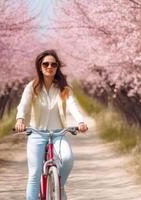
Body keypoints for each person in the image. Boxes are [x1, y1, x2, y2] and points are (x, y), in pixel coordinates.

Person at [15, 49, 88, 200]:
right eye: (46, 64)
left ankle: (59, 186)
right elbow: (23, 105)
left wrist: (80, 121)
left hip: (58, 133)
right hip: (36, 133)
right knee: (34, 174)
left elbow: (72, 105)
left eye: (53, 64)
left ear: (57, 67)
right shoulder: (32, 87)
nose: (49, 67)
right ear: (40, 66)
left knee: (67, 158)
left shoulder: (64, 88)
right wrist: (20, 119)